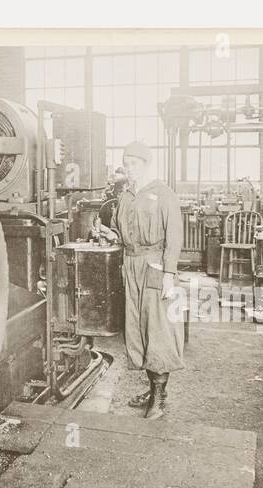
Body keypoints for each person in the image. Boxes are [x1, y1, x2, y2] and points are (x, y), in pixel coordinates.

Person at [111, 141, 184, 419]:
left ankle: (159, 398)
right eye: (126, 164)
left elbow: (174, 238)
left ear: (147, 164)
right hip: (131, 264)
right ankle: (152, 387)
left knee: (158, 329)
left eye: (134, 164)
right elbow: (122, 230)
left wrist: (169, 275)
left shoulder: (163, 194)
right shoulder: (126, 195)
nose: (129, 169)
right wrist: (111, 235)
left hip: (155, 264)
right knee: (138, 329)